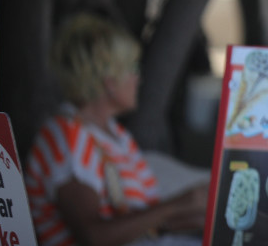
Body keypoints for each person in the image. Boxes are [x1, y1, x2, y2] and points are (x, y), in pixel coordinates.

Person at [25, 13, 209, 246]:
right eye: (132, 68)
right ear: (109, 80)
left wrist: (199, 211)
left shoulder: (116, 135)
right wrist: (176, 205)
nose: (138, 78)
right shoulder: (65, 136)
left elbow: (145, 224)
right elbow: (93, 236)